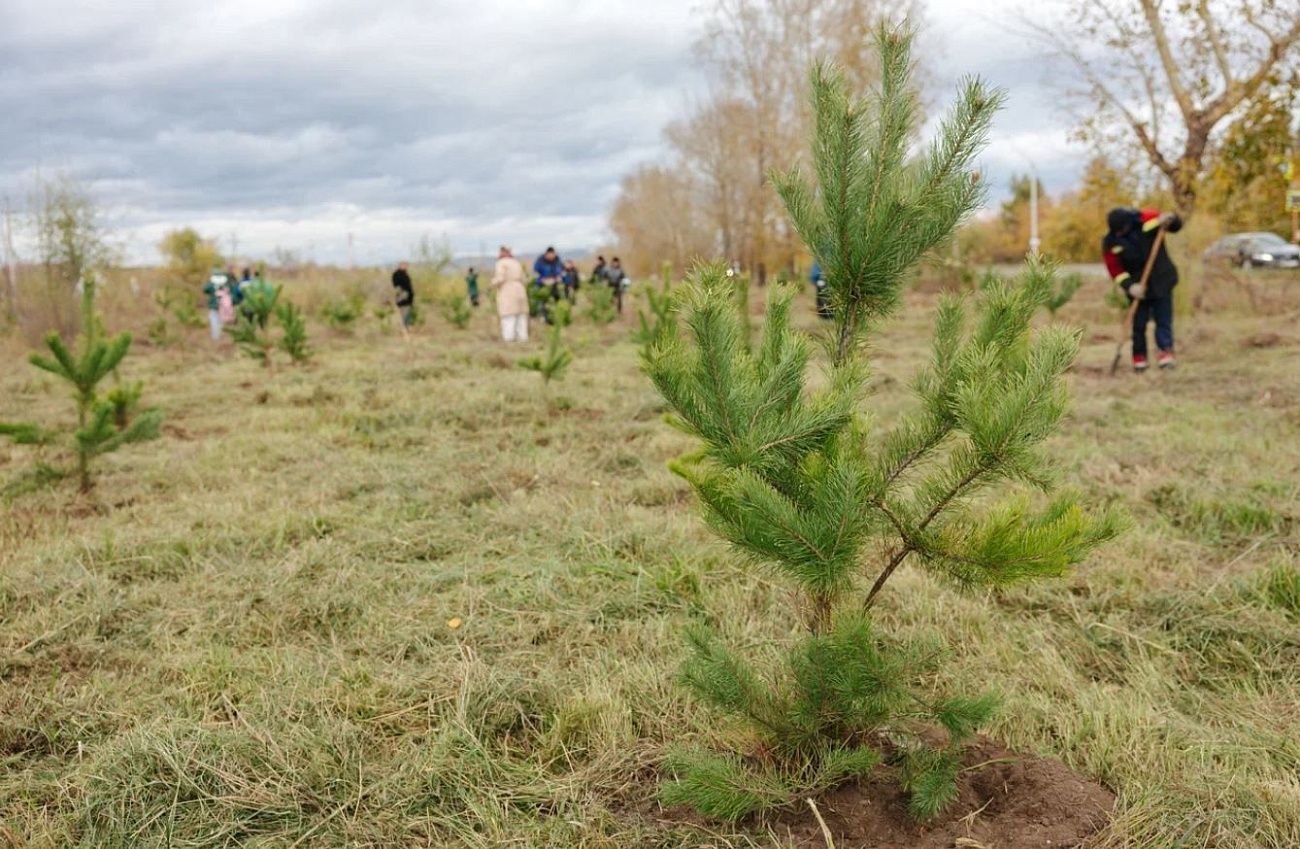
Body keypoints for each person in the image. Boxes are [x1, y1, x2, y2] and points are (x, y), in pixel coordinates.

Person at [1103, 207, 1183, 371]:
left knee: (1163, 321)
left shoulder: (1146, 218)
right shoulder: (1110, 241)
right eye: (1116, 232)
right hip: (1137, 287)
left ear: (1127, 224)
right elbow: (1114, 269)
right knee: (1138, 325)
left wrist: (1171, 219)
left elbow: (1175, 226)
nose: (1119, 234)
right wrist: (1130, 286)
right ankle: (1139, 358)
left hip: (1161, 280)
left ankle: (1165, 354)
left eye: (1121, 230)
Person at [492, 246, 529, 342]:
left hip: (507, 290)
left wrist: (492, 283)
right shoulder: (516, 263)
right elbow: (524, 278)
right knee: (521, 316)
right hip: (520, 289)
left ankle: (509, 338)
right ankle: (522, 338)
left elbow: (500, 278)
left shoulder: (501, 263)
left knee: (508, 316)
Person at [202, 268, 229, 341]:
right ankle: (220, 336)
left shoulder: (211, 284)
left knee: (214, 320)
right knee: (221, 321)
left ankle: (215, 337)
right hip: (223, 305)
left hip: (214, 305)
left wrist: (209, 281)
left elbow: (204, 289)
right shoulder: (224, 283)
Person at [392, 261, 415, 328]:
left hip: (407, 294)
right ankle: (405, 327)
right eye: (405, 266)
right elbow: (397, 286)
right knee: (404, 310)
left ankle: (407, 326)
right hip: (403, 294)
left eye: (407, 266)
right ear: (401, 266)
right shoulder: (397, 274)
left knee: (407, 310)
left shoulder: (404, 274)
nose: (406, 267)